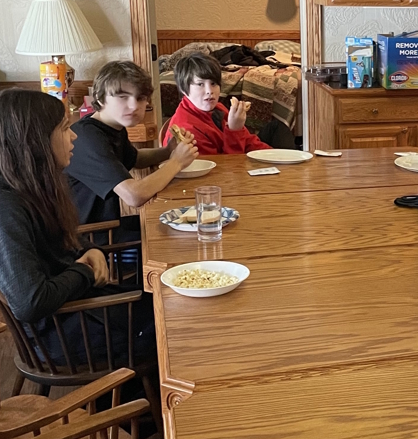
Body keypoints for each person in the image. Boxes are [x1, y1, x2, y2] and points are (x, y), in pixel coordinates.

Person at [0, 89, 155, 366]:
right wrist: (85, 270)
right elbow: (30, 303)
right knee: (174, 320)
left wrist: (90, 251)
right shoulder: (7, 207)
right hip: (61, 332)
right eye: (63, 129)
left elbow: (60, 245)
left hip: (78, 306)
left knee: (167, 300)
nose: (73, 136)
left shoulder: (31, 188)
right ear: (34, 142)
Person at [65, 61, 199, 238]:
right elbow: (134, 196)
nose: (134, 106)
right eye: (122, 96)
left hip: (105, 228)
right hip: (86, 238)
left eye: (140, 98)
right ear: (99, 97)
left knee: (184, 222)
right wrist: (176, 163)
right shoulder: (88, 138)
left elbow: (136, 159)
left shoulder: (112, 126)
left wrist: (168, 150)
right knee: (181, 236)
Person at [164, 53, 294, 154]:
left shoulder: (218, 108)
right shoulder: (187, 131)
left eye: (213, 83)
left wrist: (275, 156)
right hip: (220, 175)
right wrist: (234, 130)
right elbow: (225, 170)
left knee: (277, 127)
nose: (209, 91)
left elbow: (247, 140)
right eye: (200, 84)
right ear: (183, 89)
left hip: (235, 161)